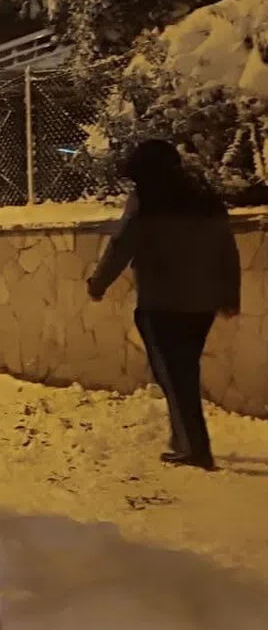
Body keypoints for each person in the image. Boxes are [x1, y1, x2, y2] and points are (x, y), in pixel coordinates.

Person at [86, 139, 240, 470]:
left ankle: (195, 448)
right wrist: (229, 295)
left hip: (161, 302)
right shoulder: (204, 198)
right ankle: (186, 440)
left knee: (174, 375)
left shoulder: (146, 200)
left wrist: (98, 284)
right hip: (202, 303)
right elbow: (226, 247)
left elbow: (121, 244)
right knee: (184, 370)